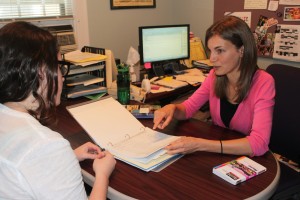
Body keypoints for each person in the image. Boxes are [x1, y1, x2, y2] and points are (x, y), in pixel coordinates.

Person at [0, 21, 116, 199]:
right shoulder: (46, 145)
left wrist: (69, 157)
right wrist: (102, 175)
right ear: (41, 71)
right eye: (60, 66)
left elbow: (23, 165)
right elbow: (37, 154)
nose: (62, 76)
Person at [153, 16, 275, 157]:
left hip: (247, 158)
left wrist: (199, 144)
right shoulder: (214, 76)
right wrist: (172, 108)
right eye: (210, 50)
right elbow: (188, 109)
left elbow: (259, 144)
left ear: (241, 50)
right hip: (220, 153)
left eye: (220, 51)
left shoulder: (264, 82)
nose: (212, 59)